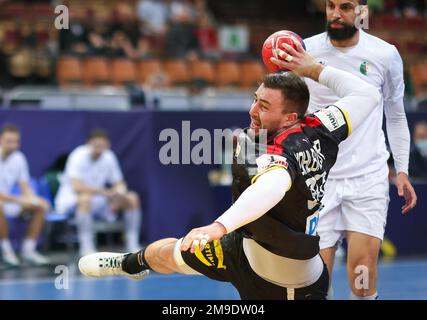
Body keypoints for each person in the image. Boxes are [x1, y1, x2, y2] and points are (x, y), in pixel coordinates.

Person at [78, 43, 381, 300]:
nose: (252, 110)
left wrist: (218, 227)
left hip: (287, 286)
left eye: (264, 105)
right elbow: (367, 95)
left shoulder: (279, 152)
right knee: (169, 253)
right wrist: (312, 69)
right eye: (254, 99)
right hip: (241, 250)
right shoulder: (322, 125)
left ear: (289, 117)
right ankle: (128, 263)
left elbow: (273, 185)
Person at [303, 0, 417, 299]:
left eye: (345, 6)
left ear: (362, 12)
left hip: (368, 177)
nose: (336, 14)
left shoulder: (384, 54)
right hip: (319, 179)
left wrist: (402, 169)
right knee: (314, 279)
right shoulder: (306, 51)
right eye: (330, 6)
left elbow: (395, 114)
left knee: (362, 274)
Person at [54, 129, 142, 256]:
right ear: (89, 144)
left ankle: (132, 244)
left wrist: (119, 194)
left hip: (98, 200)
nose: (99, 148)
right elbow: (77, 187)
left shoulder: (109, 156)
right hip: (71, 201)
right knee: (85, 199)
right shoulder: (77, 155)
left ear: (108, 145)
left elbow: (119, 183)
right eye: (96, 145)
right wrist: (105, 192)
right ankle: (86, 247)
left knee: (132, 198)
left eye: (103, 145)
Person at [0, 124, 50, 266]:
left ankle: (28, 251)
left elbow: (24, 186)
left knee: (39, 206)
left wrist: (33, 199)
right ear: (0, 141)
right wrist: (19, 200)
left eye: (15, 142)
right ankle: (7, 252)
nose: (13, 145)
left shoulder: (19, 158)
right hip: (3, 203)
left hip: (9, 201)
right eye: (9, 141)